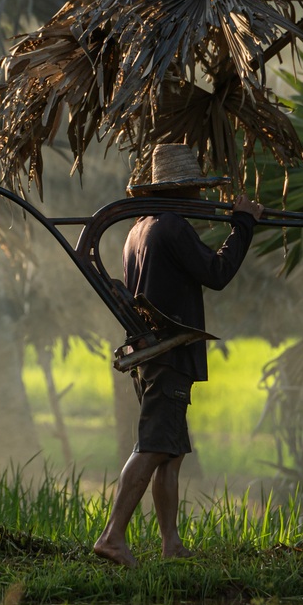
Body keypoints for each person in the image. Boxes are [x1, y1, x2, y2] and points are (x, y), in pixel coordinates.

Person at [93, 144, 262, 567]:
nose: (203, 200)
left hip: (151, 352)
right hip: (167, 352)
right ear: (183, 191)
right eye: (197, 191)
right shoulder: (172, 226)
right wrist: (243, 225)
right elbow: (218, 274)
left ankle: (172, 543)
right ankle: (112, 537)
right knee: (153, 447)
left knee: (170, 451)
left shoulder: (139, 228)